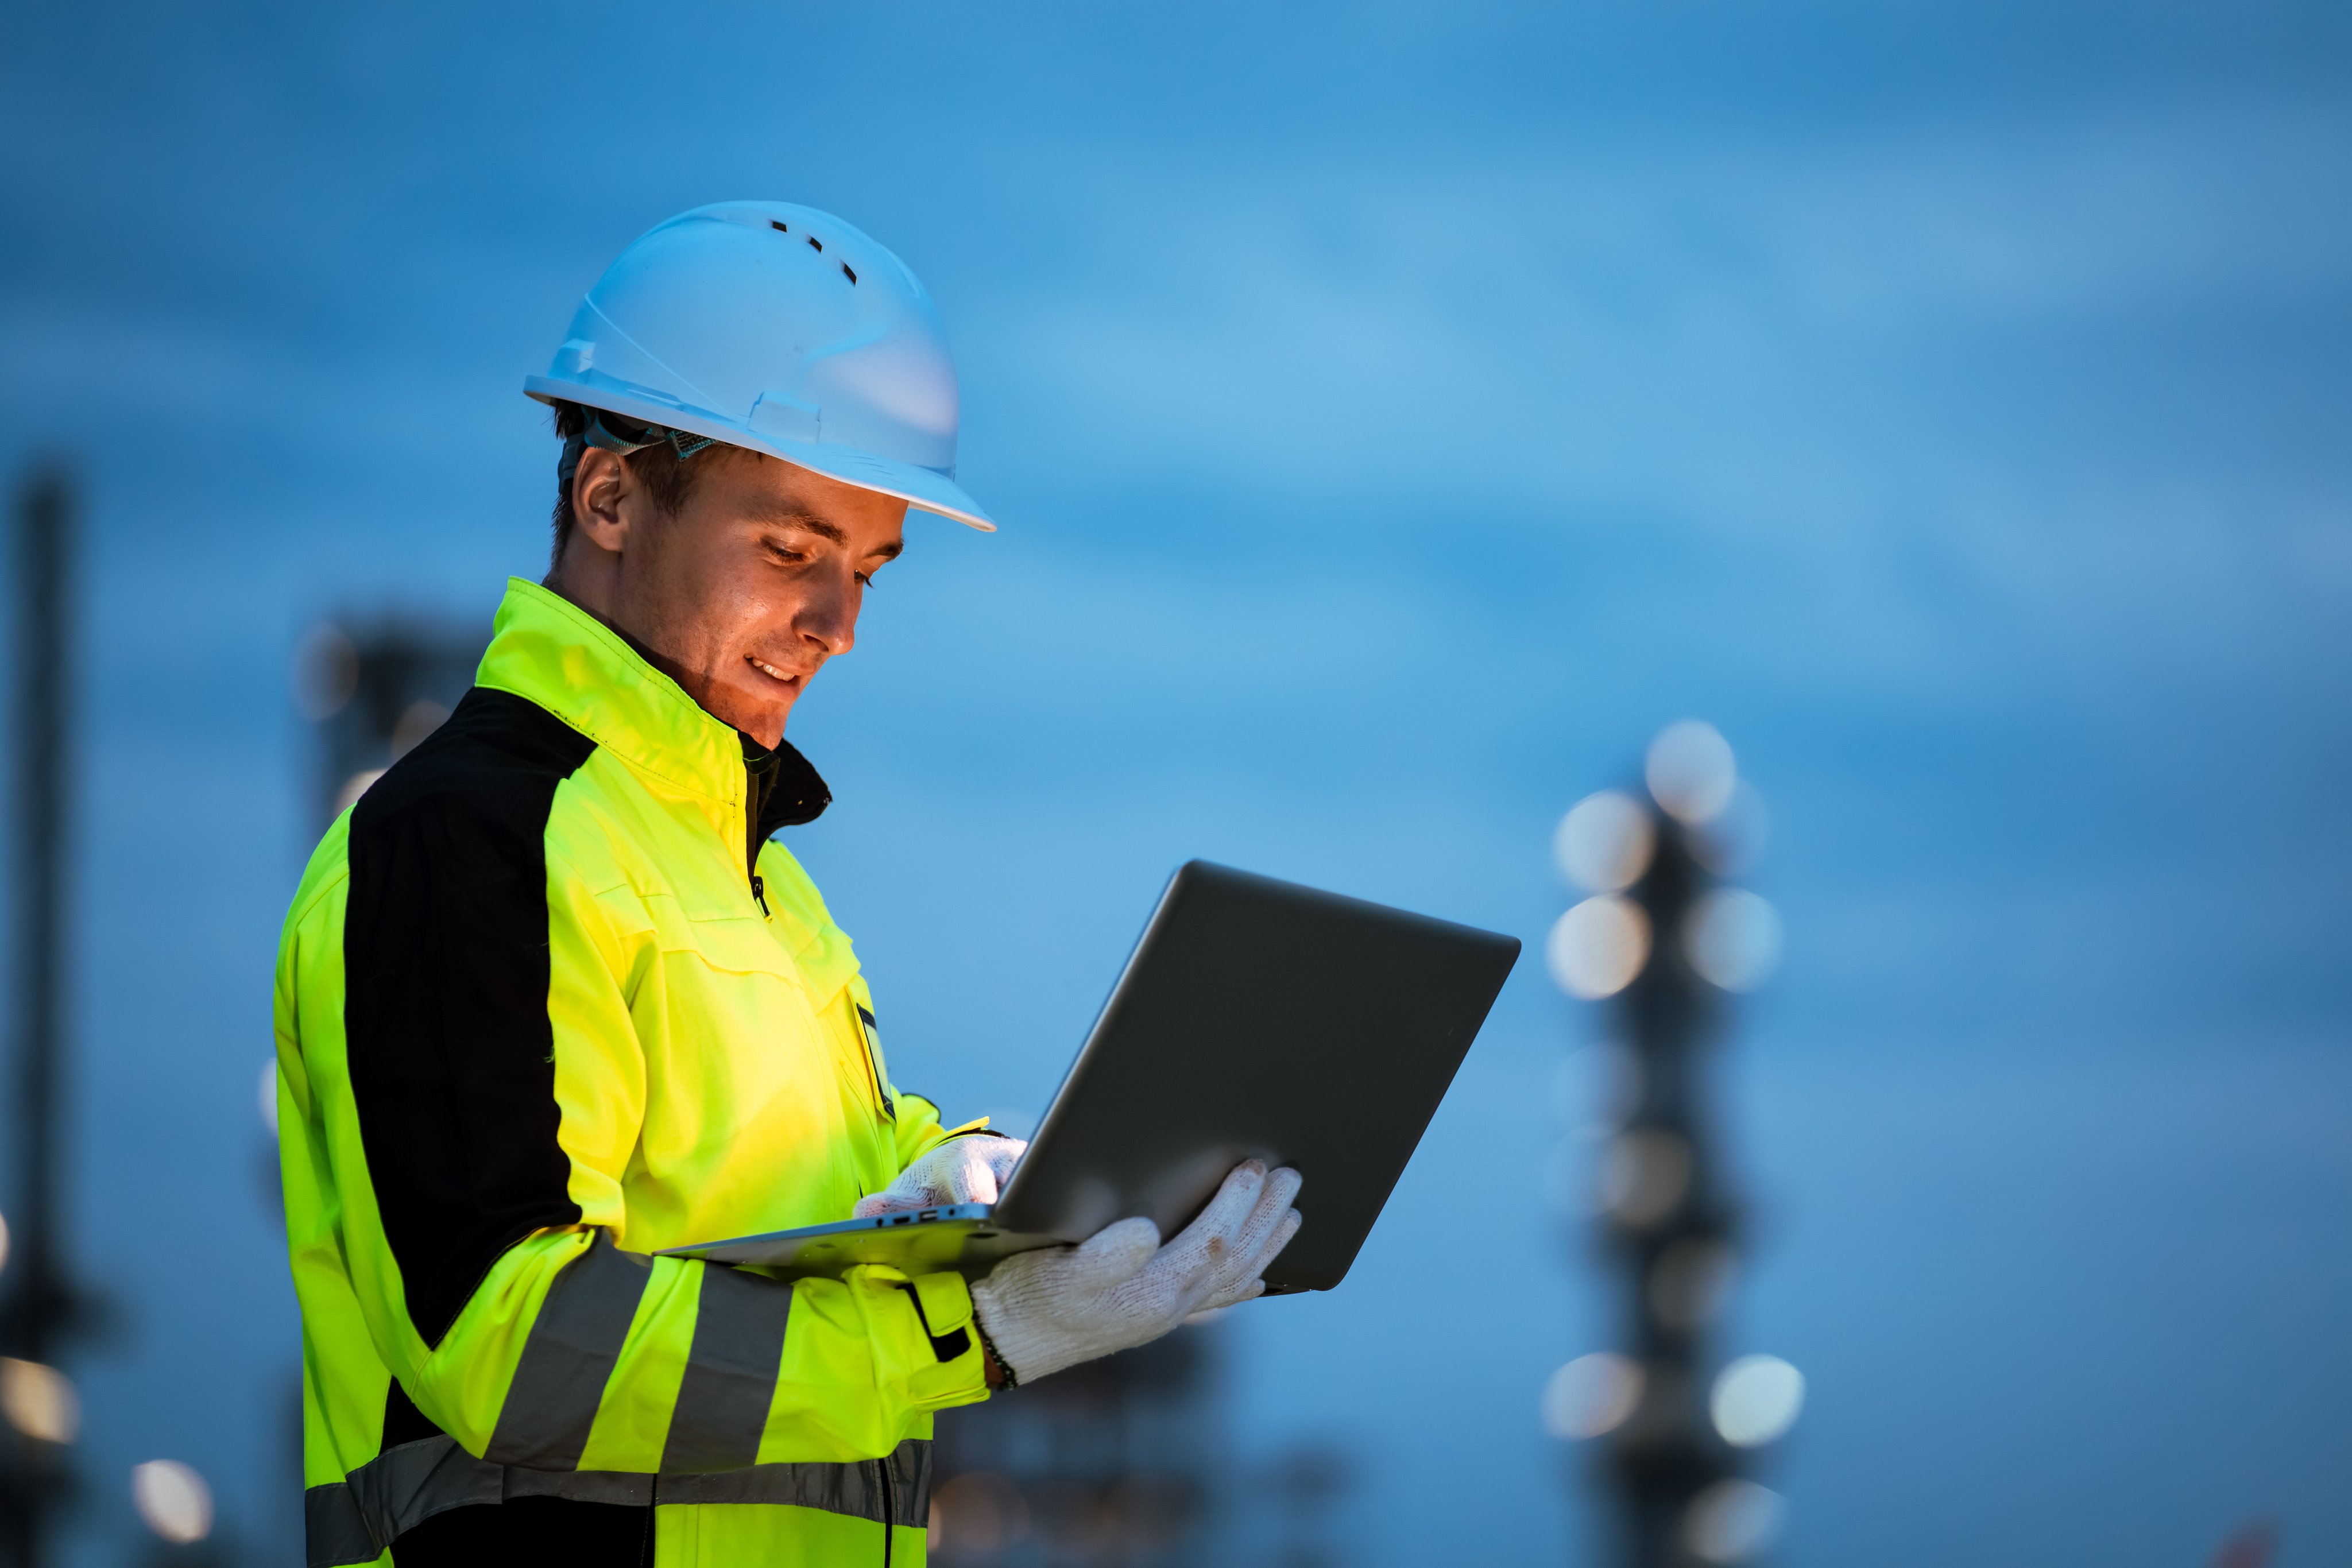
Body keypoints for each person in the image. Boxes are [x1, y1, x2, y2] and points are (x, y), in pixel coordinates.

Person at [273, 202, 1302, 1568]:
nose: (841, 627)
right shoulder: (467, 841)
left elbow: (826, 1208)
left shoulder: (768, 899)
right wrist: (977, 1331)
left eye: (866, 567)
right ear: (611, 499)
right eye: (791, 550)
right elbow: (505, 1342)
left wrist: (1004, 1199)